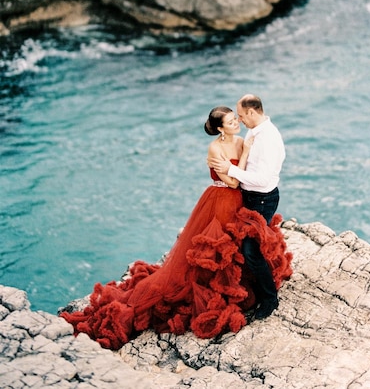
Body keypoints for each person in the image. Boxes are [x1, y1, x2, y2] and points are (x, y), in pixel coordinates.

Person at [60, 105, 292, 350]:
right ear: (220, 128)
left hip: (239, 201)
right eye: (231, 121)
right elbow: (233, 181)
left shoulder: (242, 140)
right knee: (214, 252)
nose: (237, 123)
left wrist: (245, 154)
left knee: (238, 248)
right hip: (221, 201)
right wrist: (243, 157)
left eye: (237, 118)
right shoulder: (216, 148)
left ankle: (249, 287)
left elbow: (250, 171)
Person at [208, 94, 286, 320]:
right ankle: (252, 289)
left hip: (262, 199)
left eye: (241, 116)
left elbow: (261, 179)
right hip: (248, 197)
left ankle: (270, 299)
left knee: (251, 249)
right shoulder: (254, 131)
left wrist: (228, 170)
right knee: (242, 247)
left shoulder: (268, 139)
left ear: (252, 113)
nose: (239, 121)